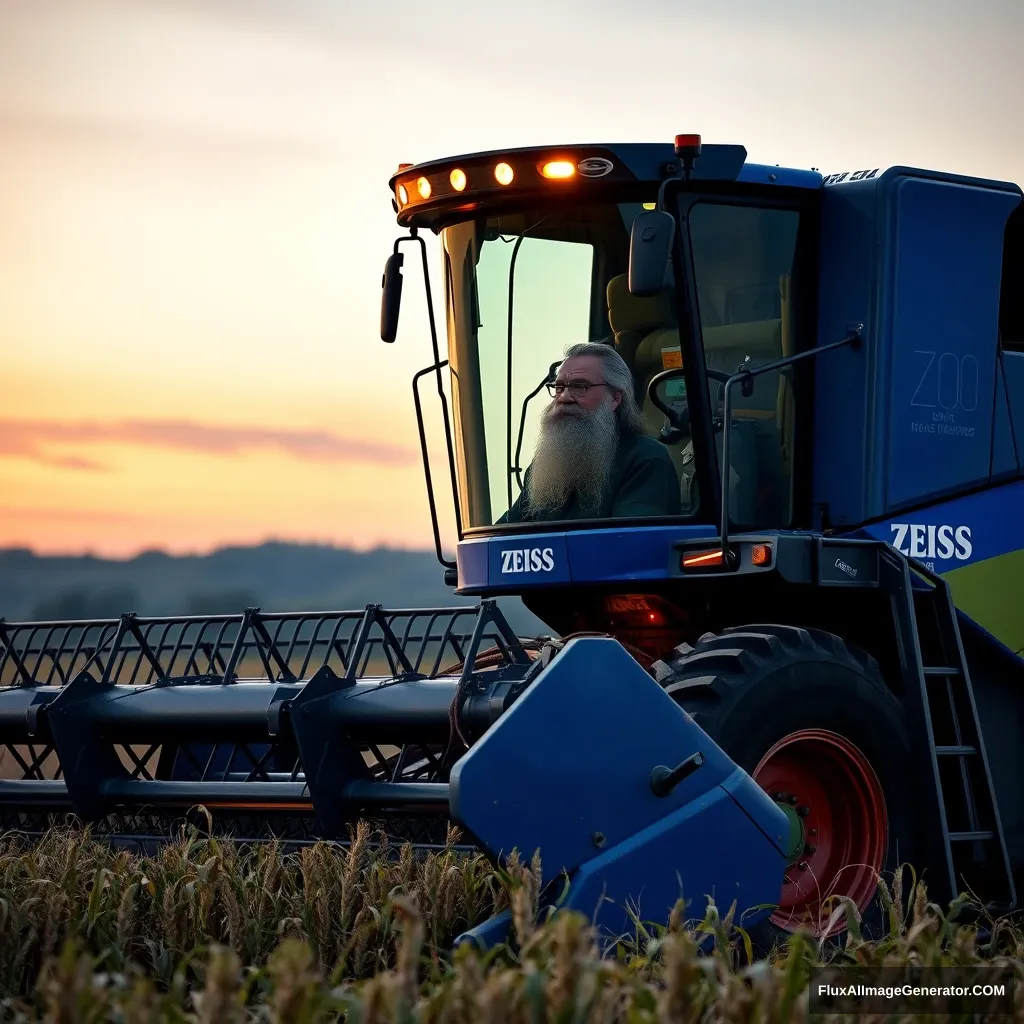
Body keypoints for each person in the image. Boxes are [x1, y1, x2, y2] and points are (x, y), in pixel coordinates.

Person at [498, 341, 682, 523]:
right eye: (559, 387)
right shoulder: (545, 466)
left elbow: (628, 544)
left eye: (579, 387)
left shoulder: (645, 459)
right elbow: (503, 535)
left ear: (614, 399)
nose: (564, 397)